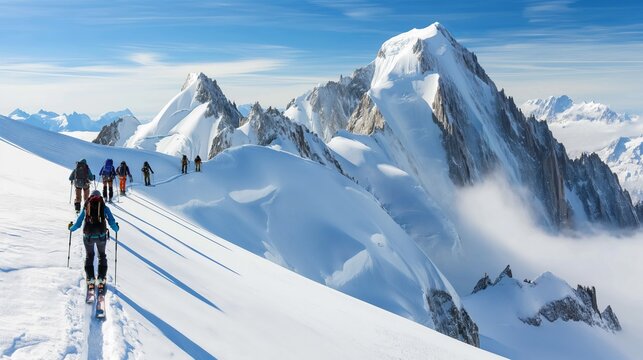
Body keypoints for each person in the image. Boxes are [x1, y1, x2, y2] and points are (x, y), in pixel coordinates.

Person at [68, 190, 119, 296]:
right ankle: (101, 279)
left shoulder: (86, 206)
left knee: (89, 256)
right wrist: (116, 228)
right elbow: (112, 222)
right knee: (102, 255)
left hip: (88, 237)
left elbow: (78, 223)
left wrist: (71, 228)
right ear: (100, 197)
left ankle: (90, 280)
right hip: (101, 236)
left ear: (90, 196)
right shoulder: (104, 207)